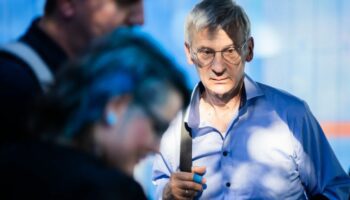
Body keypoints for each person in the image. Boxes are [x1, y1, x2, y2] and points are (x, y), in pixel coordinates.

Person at [152, 0, 350, 199]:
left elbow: (337, 191)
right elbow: (158, 191)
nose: (218, 67)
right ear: (189, 53)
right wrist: (168, 193)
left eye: (230, 51)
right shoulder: (172, 126)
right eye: (206, 52)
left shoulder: (291, 115)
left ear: (249, 49)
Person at [0, 28, 190, 199]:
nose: (157, 148)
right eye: (157, 127)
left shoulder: (10, 163)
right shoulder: (112, 191)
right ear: (116, 106)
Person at [0, 0, 144, 142]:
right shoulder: (12, 83)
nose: (140, 19)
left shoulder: (93, 82)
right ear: (66, 3)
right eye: (125, 2)